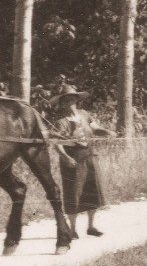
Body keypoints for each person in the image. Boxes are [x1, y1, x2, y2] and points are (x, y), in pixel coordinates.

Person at [49, 84, 116, 239]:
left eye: (72, 98)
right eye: (66, 99)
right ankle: (72, 230)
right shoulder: (60, 121)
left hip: (90, 156)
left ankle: (91, 226)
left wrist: (106, 131)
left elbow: (95, 128)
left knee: (93, 190)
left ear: (77, 99)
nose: (70, 101)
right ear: (62, 102)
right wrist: (67, 158)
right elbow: (56, 144)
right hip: (73, 160)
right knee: (73, 193)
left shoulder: (84, 114)